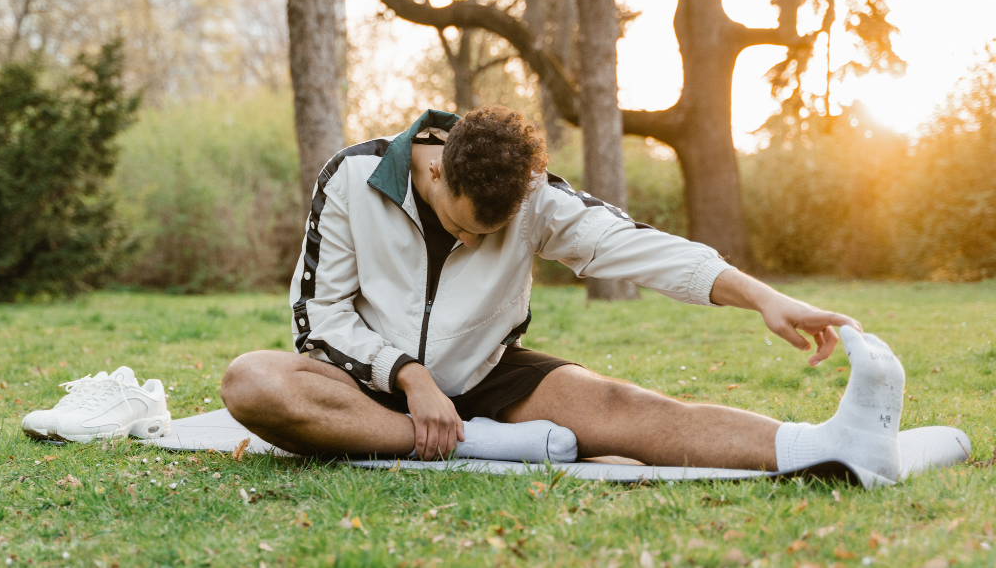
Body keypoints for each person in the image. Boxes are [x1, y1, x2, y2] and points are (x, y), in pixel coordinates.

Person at [220, 106, 905, 487]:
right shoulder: (352, 178)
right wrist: (409, 375)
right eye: (461, 224)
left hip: (488, 376)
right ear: (434, 170)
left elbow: (641, 247)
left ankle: (825, 446)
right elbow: (320, 320)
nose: (472, 239)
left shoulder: (534, 197)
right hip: (366, 388)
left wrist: (761, 298)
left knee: (626, 407)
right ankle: (480, 446)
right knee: (253, 381)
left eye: (489, 234)